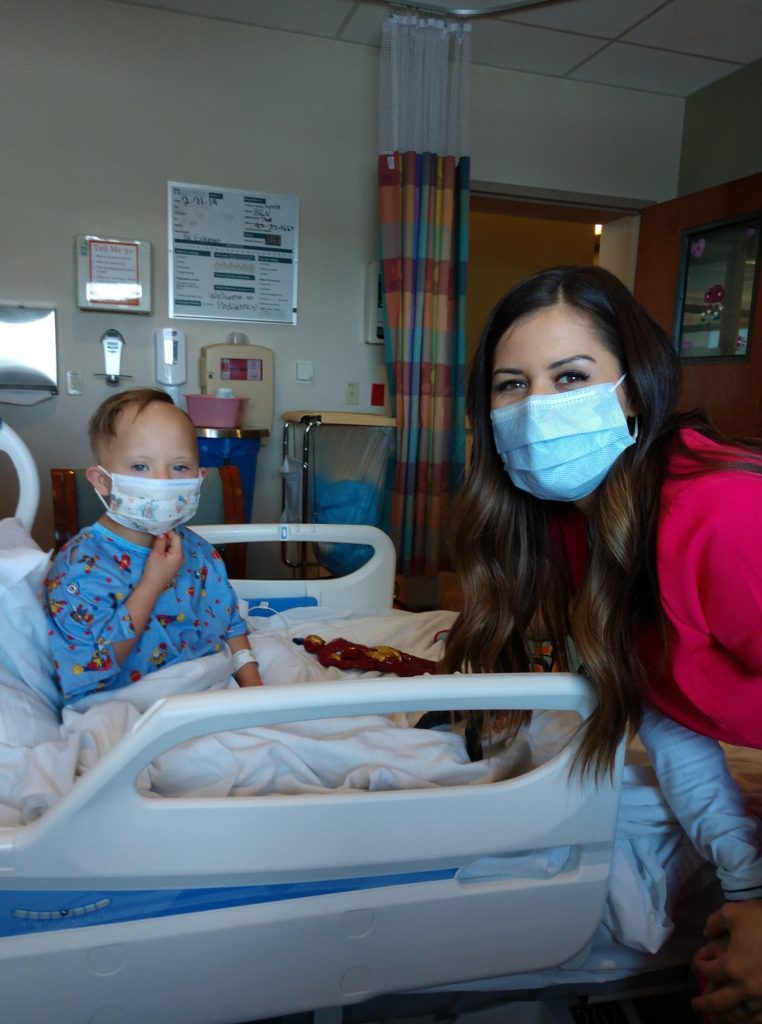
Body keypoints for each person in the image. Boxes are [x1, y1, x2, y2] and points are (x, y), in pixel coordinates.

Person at [439, 265, 762, 1022]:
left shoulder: (723, 517)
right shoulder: (572, 530)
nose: (536, 407)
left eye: (571, 375)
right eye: (511, 385)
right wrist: (747, 888)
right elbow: (668, 718)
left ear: (634, 389)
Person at [45, 388, 261, 702]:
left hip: (212, 690)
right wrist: (152, 583)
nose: (163, 481)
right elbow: (91, 664)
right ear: (102, 480)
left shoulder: (199, 552)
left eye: (179, 467)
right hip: (133, 705)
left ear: (199, 479)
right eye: (141, 467)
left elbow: (231, 625)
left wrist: (256, 690)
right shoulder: (80, 565)